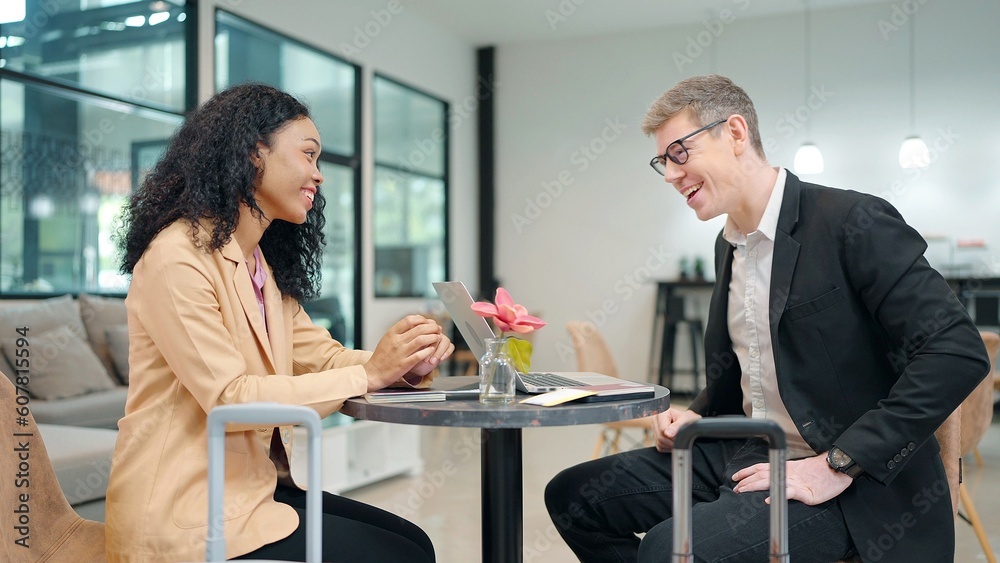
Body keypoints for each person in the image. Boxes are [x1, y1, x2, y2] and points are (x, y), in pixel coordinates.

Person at [545, 74, 990, 562]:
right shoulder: (729, 245)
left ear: (735, 133)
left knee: (667, 550)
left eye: (679, 152)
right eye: (662, 162)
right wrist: (698, 412)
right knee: (574, 498)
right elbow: (747, 368)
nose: (670, 175)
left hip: (849, 481)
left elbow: (956, 351)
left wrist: (836, 464)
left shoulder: (852, 222)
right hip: (747, 452)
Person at [105, 83, 452, 562]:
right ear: (253, 154)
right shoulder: (177, 256)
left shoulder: (258, 265)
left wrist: (400, 364)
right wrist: (371, 373)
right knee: (404, 556)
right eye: (308, 156)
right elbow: (230, 397)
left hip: (253, 493)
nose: (318, 175)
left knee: (416, 543)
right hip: (186, 513)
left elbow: (322, 357)